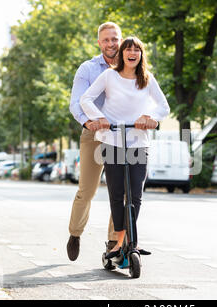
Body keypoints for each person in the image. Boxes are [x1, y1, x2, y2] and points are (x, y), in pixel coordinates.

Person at [80, 36, 170, 258]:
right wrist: (99, 118)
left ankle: (128, 241)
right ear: (121, 54)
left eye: (136, 50)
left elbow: (164, 107)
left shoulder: (147, 79)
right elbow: (86, 100)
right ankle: (119, 242)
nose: (132, 53)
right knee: (117, 193)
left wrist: (150, 117)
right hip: (112, 141)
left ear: (141, 55)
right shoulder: (110, 76)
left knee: (135, 195)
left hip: (139, 143)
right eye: (128, 49)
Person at [67, 22, 122, 261]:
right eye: (106, 40)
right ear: (99, 43)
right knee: (87, 191)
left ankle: (114, 242)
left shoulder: (131, 64)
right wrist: (87, 122)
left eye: (114, 39)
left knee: (120, 192)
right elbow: (76, 102)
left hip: (122, 135)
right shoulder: (88, 69)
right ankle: (75, 233)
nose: (111, 43)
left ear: (120, 40)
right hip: (94, 133)